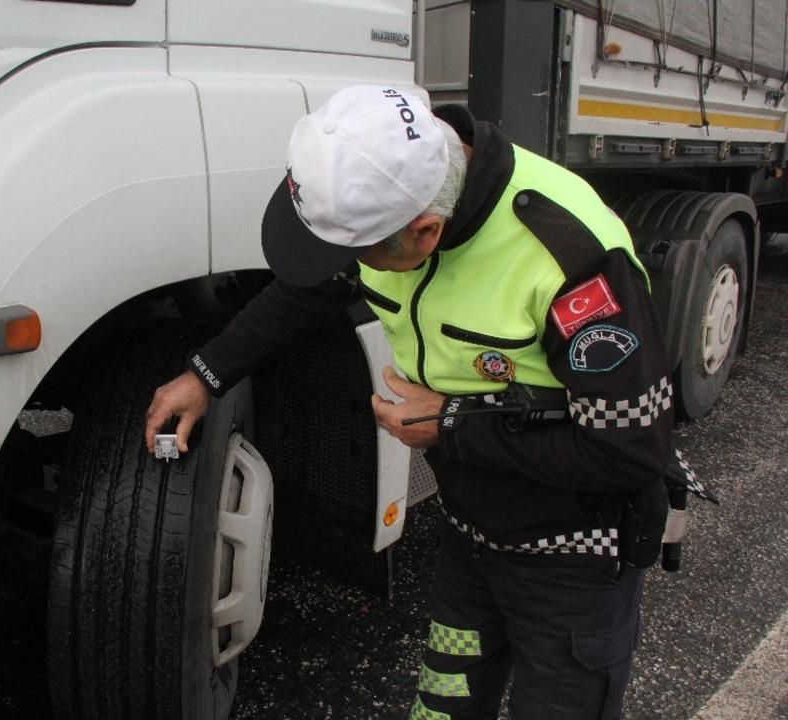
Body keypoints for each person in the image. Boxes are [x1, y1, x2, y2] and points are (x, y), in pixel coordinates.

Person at [144, 85, 674, 720]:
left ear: (425, 232)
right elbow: (306, 292)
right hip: (470, 540)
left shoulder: (573, 259)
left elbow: (630, 451)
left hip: (572, 561)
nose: (346, 267)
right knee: (440, 708)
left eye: (354, 253)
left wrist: (451, 426)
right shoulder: (396, 201)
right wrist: (206, 374)